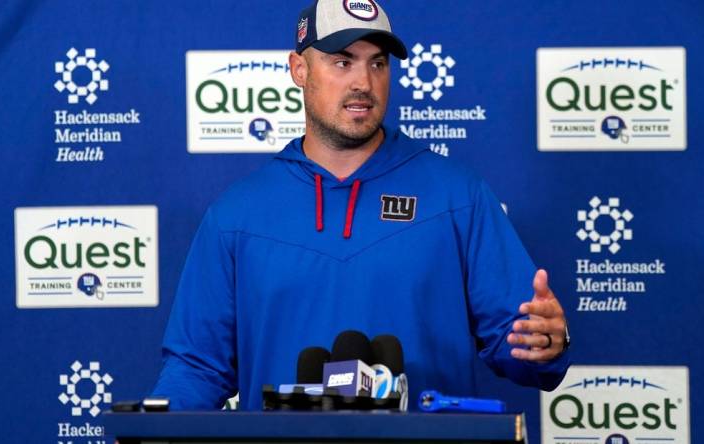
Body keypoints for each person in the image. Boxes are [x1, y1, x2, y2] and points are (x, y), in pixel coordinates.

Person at [152, 0, 570, 411]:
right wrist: (149, 432)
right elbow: (197, 367)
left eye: (378, 63)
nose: (364, 83)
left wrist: (545, 344)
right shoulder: (236, 216)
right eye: (342, 61)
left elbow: (518, 344)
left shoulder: (458, 196)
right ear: (299, 69)